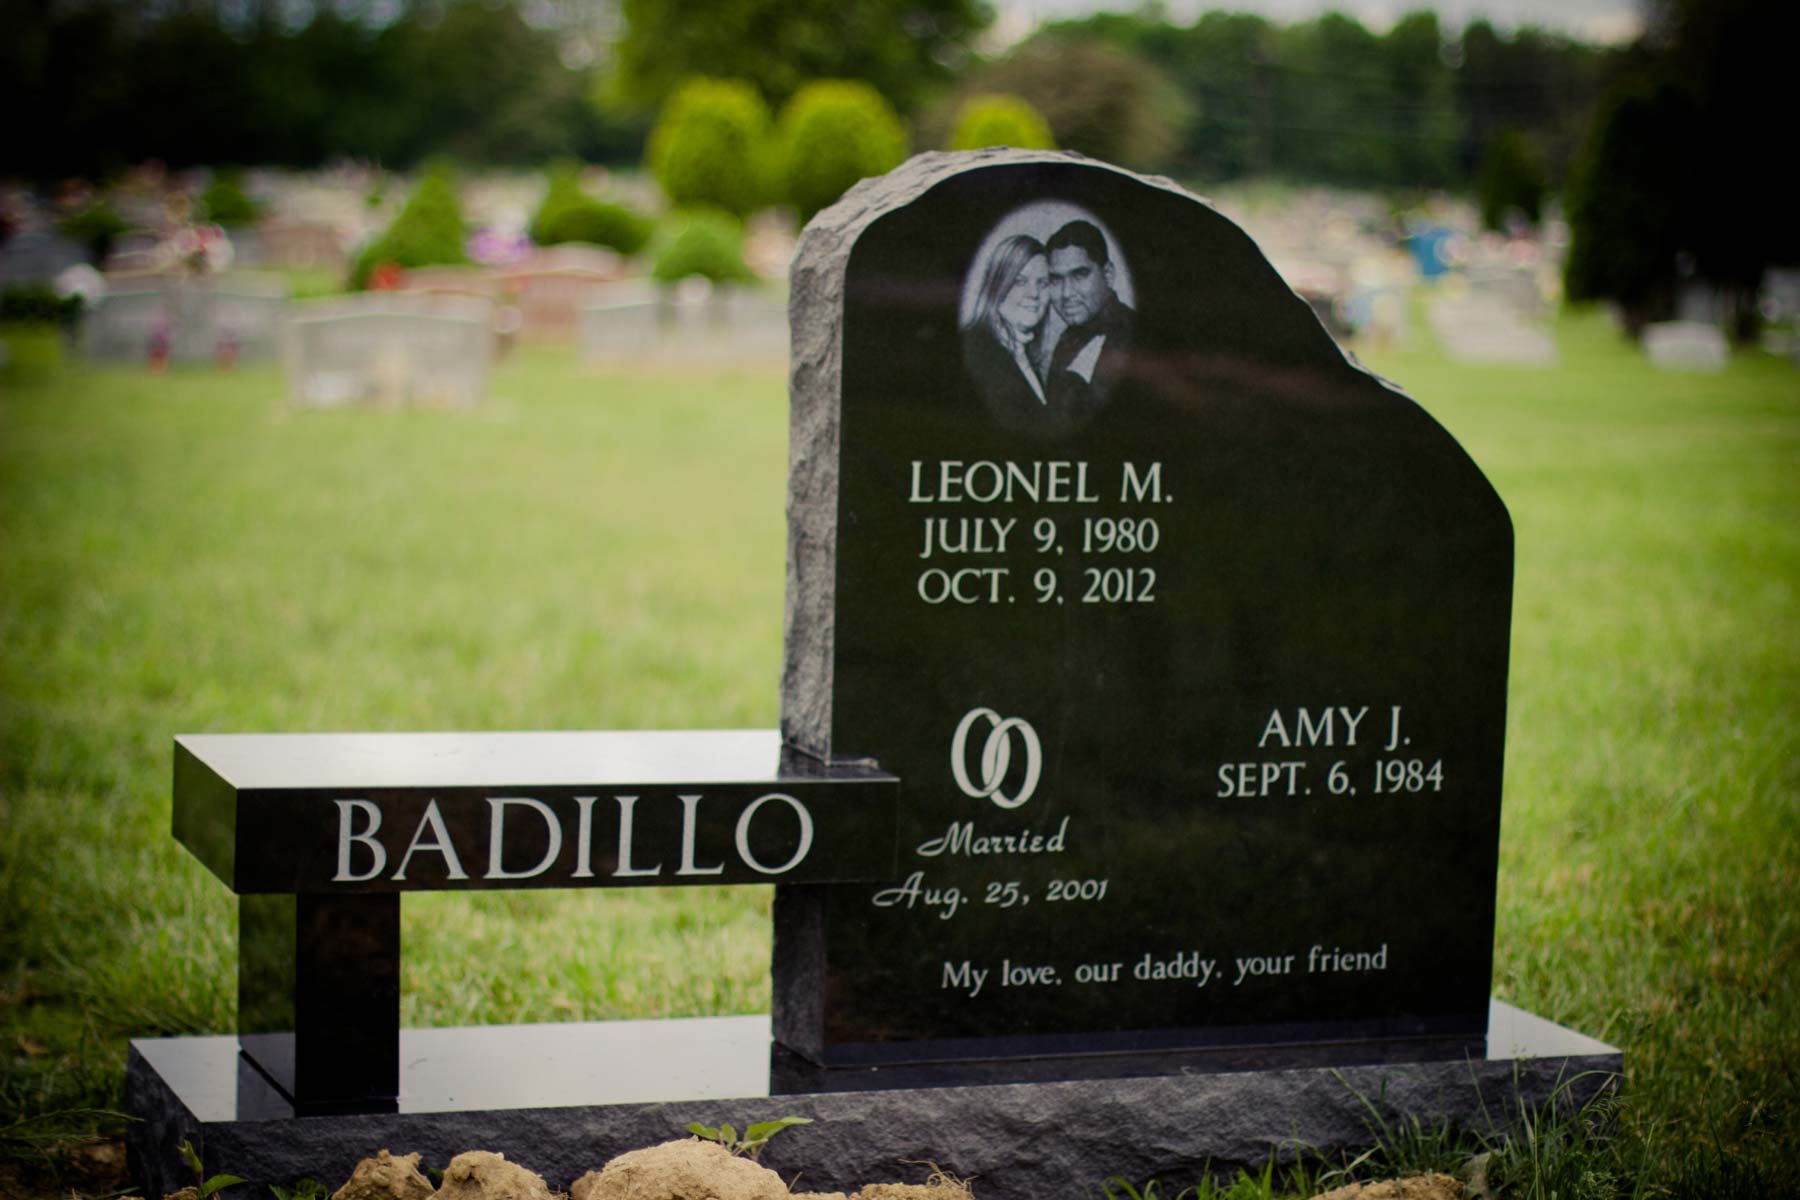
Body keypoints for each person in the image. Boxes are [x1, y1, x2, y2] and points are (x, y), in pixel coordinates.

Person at [1043, 220, 1134, 415]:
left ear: (1108, 275)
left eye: (1080, 275)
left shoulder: (1131, 333)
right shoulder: (1068, 338)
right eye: (1056, 279)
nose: (1066, 293)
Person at [961, 234, 1052, 426]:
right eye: (1020, 281)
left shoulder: (1025, 352)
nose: (1034, 294)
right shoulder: (977, 350)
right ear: (997, 285)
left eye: (1042, 283)